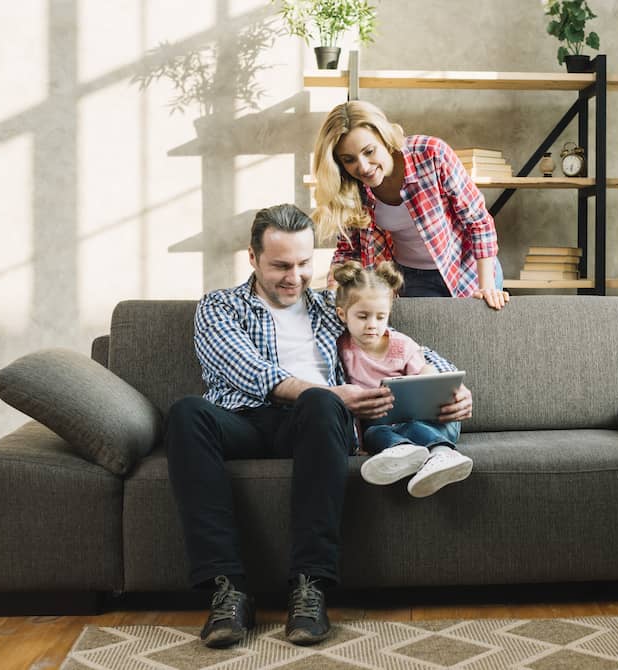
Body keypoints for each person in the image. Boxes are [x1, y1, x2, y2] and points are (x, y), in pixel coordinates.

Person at [164, 204, 474, 649]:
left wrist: (452, 386)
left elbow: (396, 346)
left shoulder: (334, 308)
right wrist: (327, 392)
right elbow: (247, 372)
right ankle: (226, 590)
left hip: (315, 426)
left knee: (322, 404)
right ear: (252, 258)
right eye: (280, 266)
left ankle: (310, 587)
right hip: (240, 421)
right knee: (186, 413)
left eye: (304, 264)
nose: (294, 276)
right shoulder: (219, 307)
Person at [311, 99, 510, 310]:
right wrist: (333, 297)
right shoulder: (350, 188)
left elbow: (478, 221)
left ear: (384, 138)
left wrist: (486, 287)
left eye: (369, 152)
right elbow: (348, 252)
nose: (363, 167)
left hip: (468, 268)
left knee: (476, 338)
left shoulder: (432, 154)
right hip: (413, 279)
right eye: (349, 159)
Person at [333, 260, 473, 497]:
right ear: (342, 314)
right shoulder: (341, 350)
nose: (372, 325)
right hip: (383, 427)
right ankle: (406, 452)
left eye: (380, 317)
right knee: (373, 433)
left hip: (433, 423)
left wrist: (434, 381)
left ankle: (442, 453)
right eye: (363, 316)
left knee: (407, 425)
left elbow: (426, 376)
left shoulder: (403, 345)